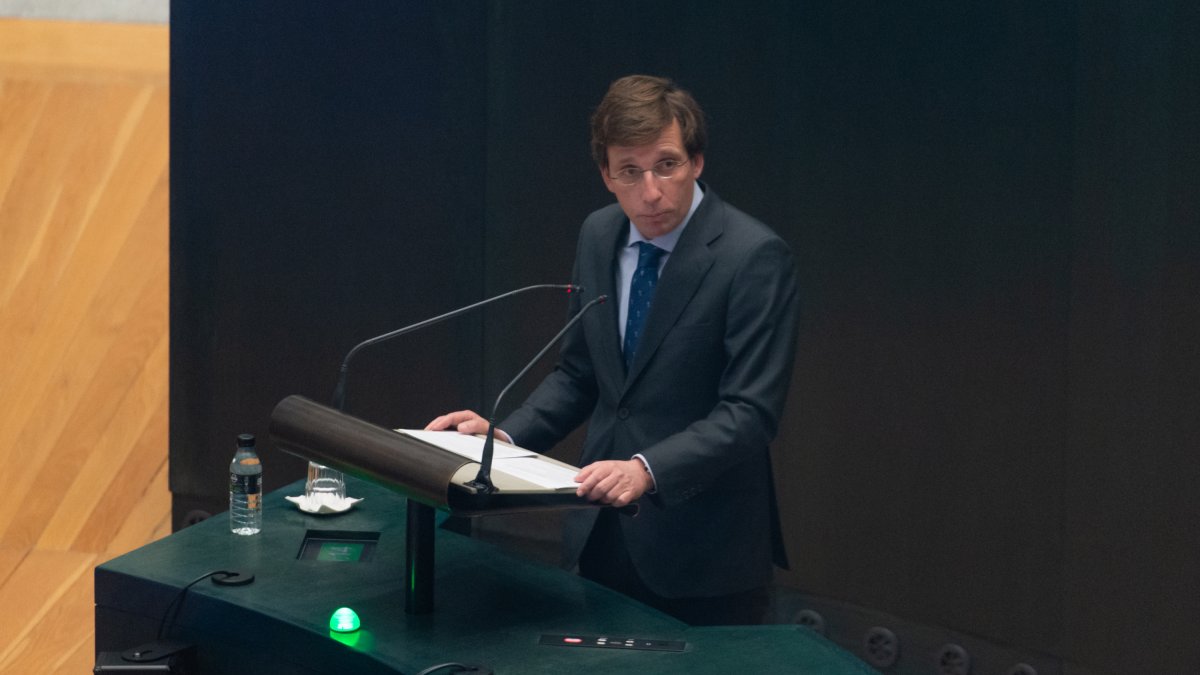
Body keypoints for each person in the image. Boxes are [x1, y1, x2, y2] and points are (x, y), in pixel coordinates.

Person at [426, 74, 800, 625]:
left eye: (666, 165)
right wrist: (502, 439)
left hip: (703, 550)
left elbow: (750, 412)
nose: (650, 192)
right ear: (606, 175)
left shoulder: (753, 256)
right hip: (600, 528)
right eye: (630, 171)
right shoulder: (599, 235)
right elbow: (580, 373)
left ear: (697, 162)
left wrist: (647, 469)